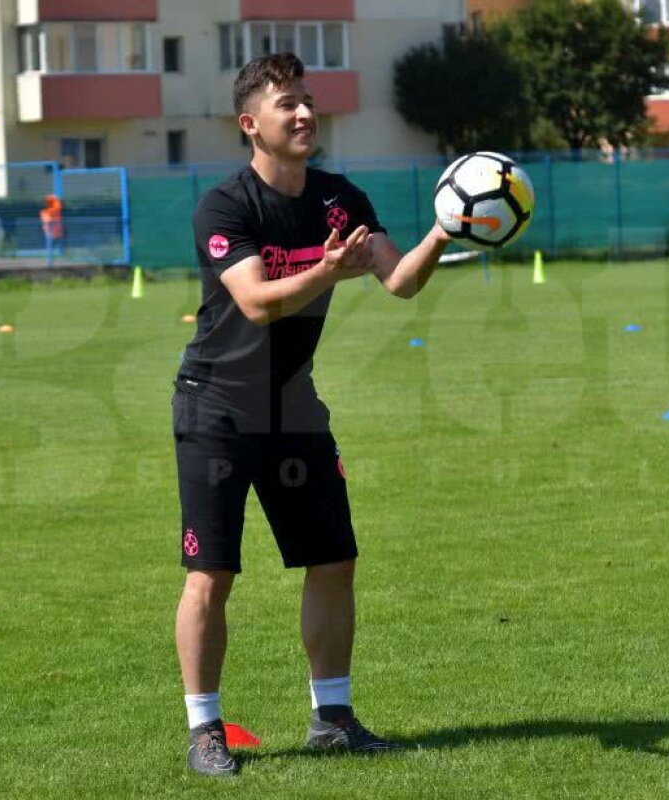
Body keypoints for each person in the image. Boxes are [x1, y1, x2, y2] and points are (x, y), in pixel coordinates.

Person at [172, 52, 452, 777]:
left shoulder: (340, 198)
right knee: (213, 575)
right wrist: (327, 270)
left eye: (307, 101)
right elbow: (258, 301)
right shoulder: (225, 206)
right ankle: (206, 730)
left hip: (295, 410)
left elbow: (399, 281)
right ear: (250, 124)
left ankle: (334, 718)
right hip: (218, 410)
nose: (304, 114)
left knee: (334, 559)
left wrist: (449, 228)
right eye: (287, 104)